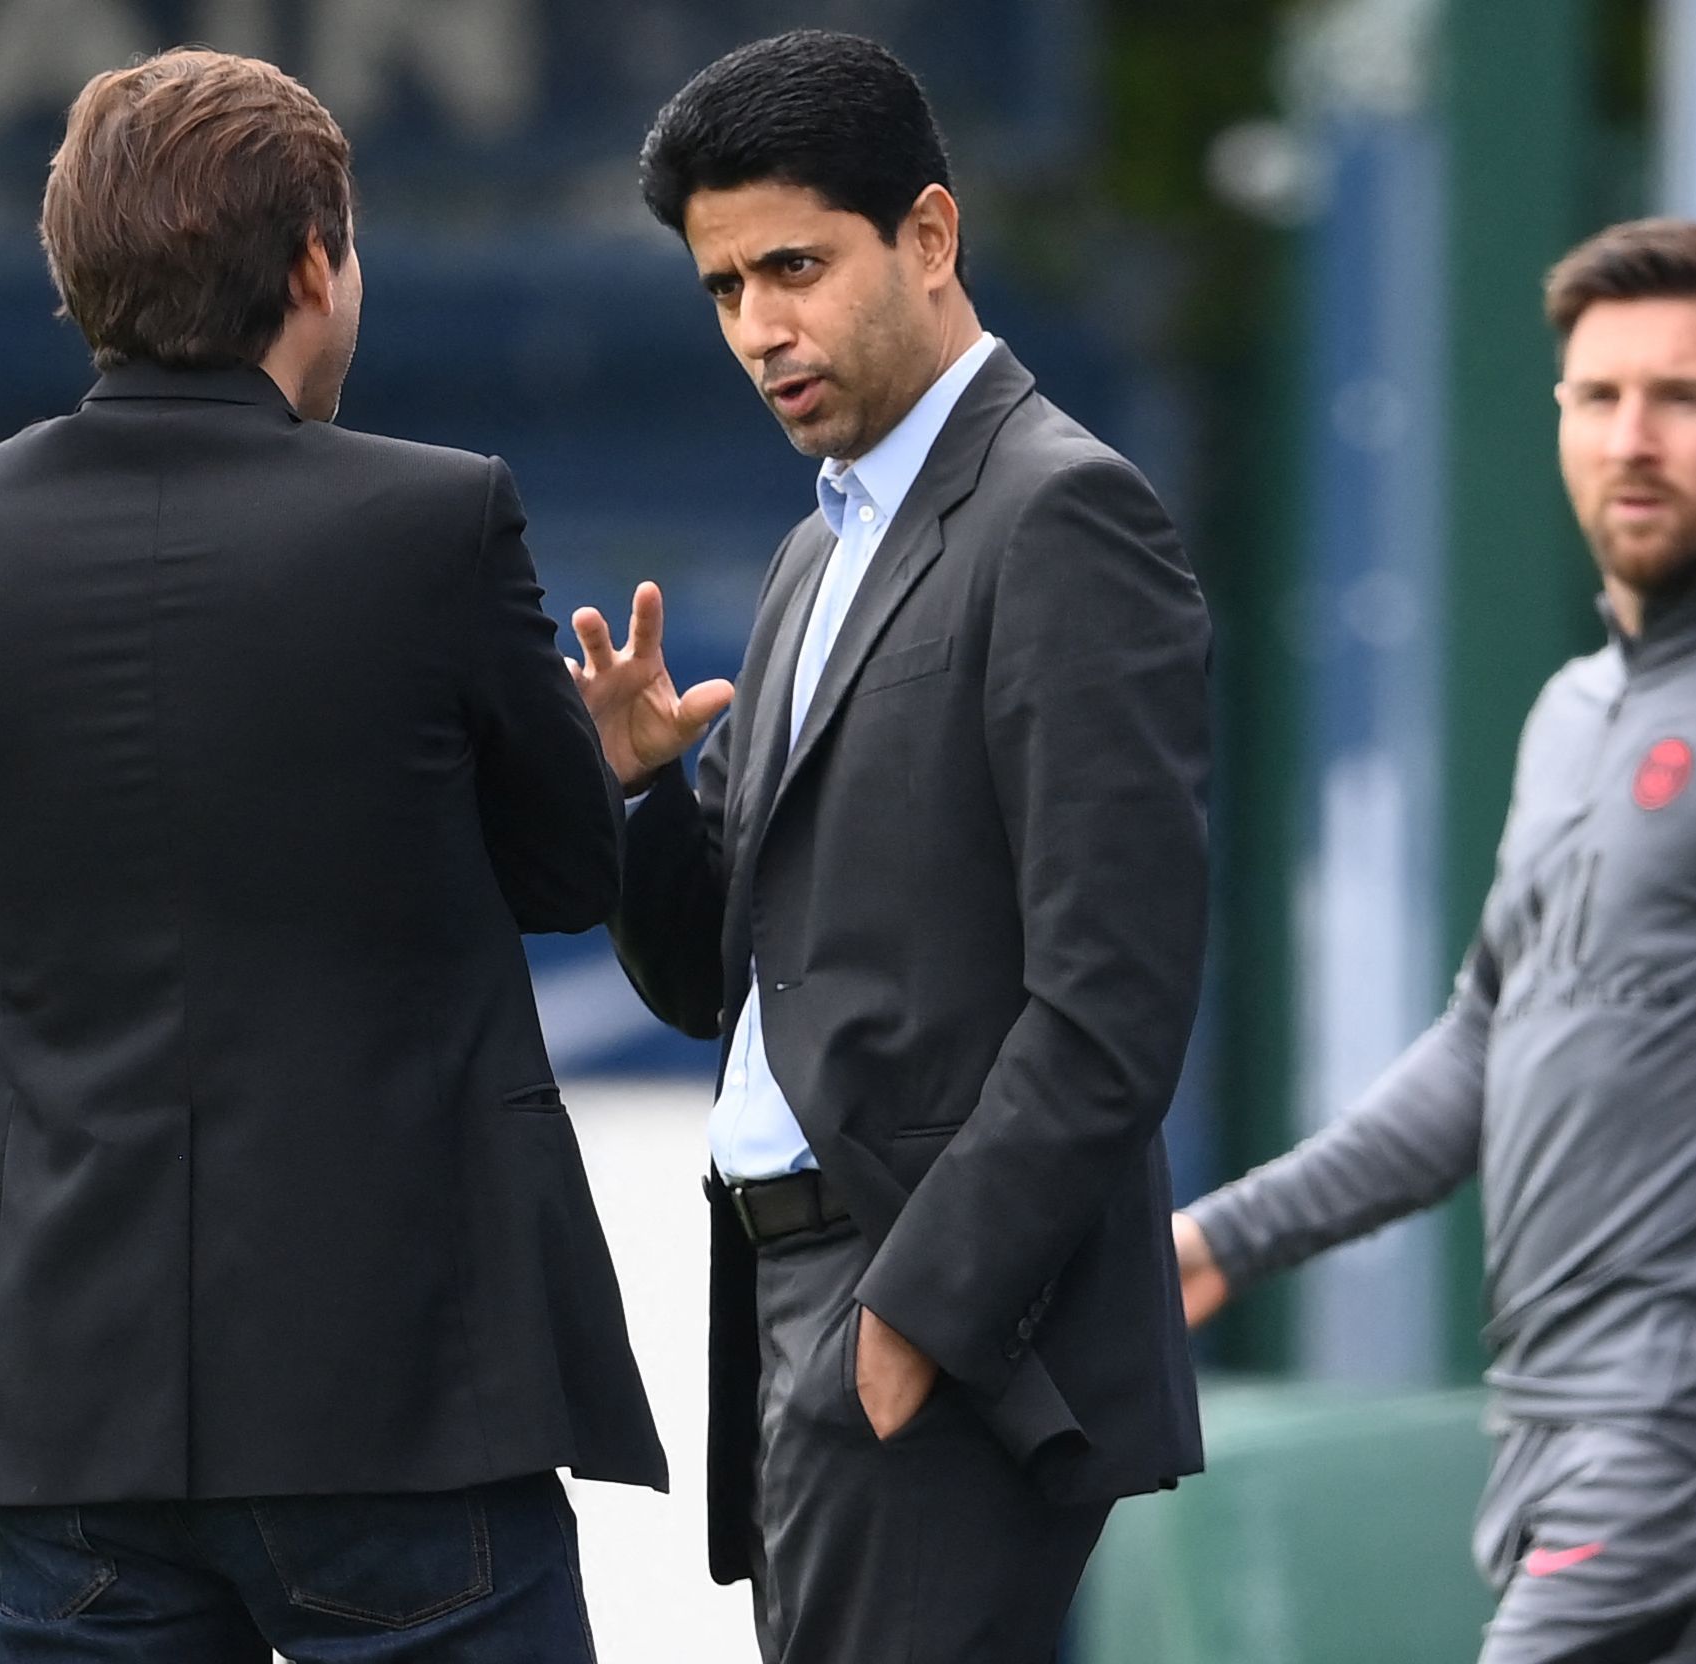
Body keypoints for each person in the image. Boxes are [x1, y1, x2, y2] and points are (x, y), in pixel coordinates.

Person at [0, 48, 664, 1663]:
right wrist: (610, 757)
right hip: (402, 1396)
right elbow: (569, 878)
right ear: (312, 262)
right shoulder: (438, 521)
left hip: (69, 1416)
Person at [1177, 217, 1696, 1662]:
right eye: (1598, 397)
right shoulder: (1574, 715)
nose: (1633, 439)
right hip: (1556, 1425)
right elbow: (1480, 1052)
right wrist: (1221, 1241)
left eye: (1682, 399)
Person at [569, 30, 1212, 1664]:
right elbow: (710, 979)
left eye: (795, 266)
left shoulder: (1063, 515)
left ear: (930, 236)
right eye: (724, 290)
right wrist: (649, 792)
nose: (761, 329)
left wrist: (922, 1314)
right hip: (792, 1298)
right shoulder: (814, 549)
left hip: (929, 1318)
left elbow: (1114, 1003)